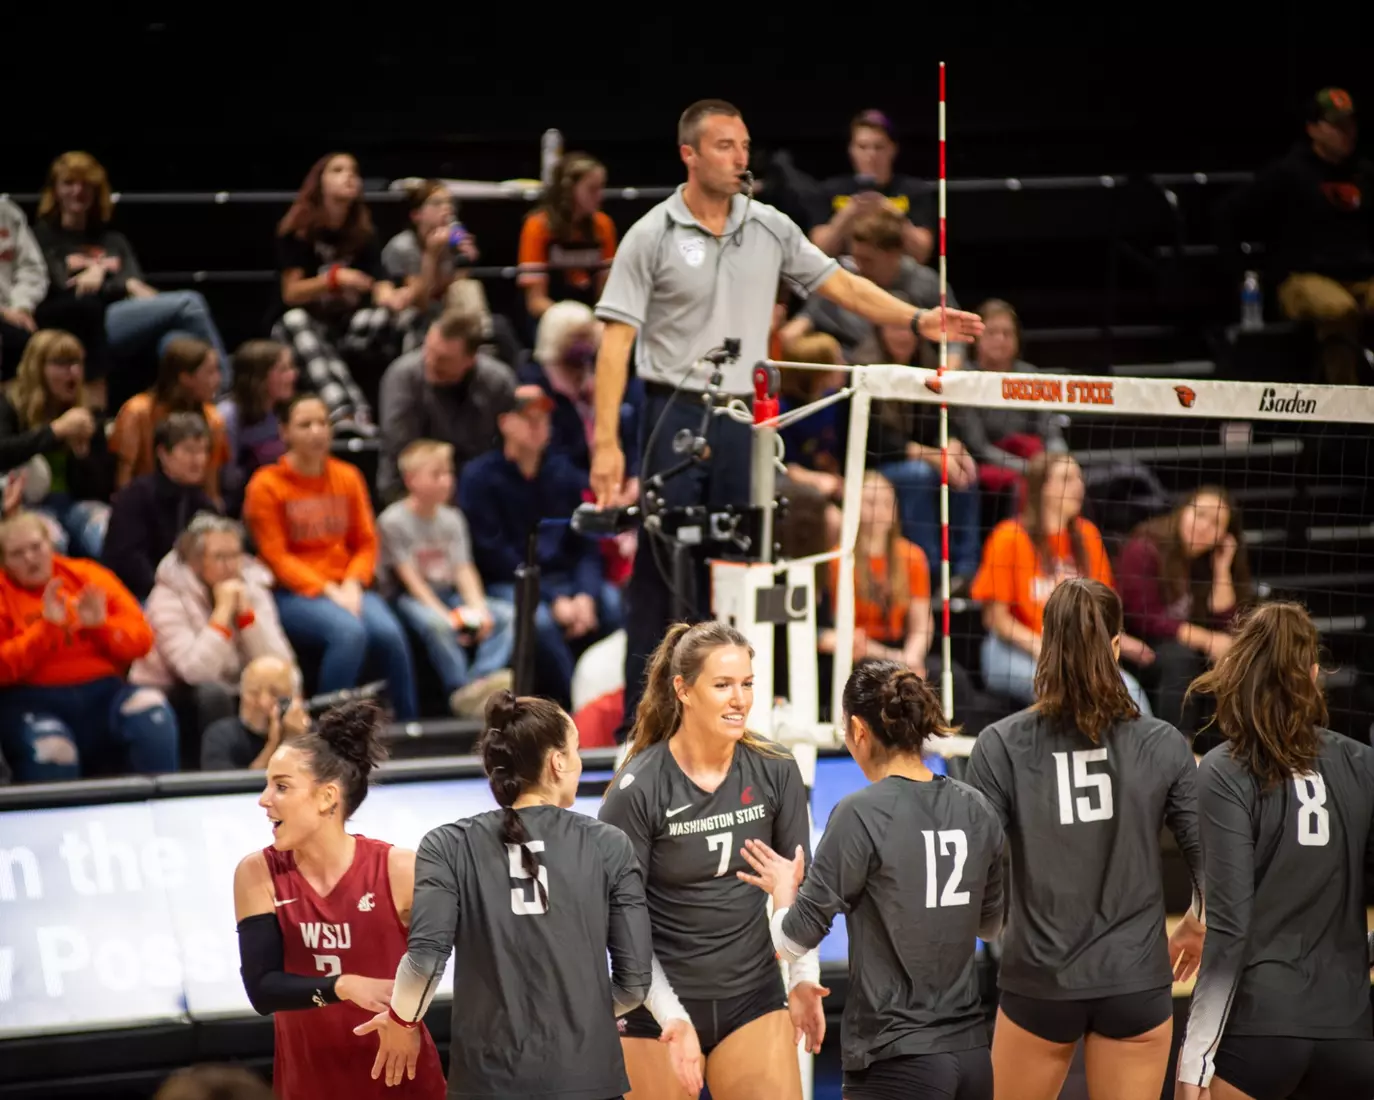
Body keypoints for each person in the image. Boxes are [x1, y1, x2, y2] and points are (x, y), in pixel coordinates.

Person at [590, 98, 983, 736]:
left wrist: (915, 317)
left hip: (743, 414)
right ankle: (654, 721)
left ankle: (734, 709)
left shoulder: (769, 226)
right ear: (688, 154)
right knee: (665, 561)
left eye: (744, 145)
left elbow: (842, 285)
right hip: (670, 409)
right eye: (724, 146)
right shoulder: (651, 234)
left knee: (744, 559)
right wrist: (605, 444)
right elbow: (614, 344)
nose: (740, 157)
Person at [965, 578, 1205, 1100]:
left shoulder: (999, 744)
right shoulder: (1163, 742)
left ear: (1046, 646)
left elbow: (975, 867)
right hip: (1136, 981)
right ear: (1117, 646)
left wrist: (990, 928)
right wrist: (1197, 921)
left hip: (1039, 980)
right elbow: (1211, 856)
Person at [355, 690, 651, 1094]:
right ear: (557, 761)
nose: (579, 762)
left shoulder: (447, 844)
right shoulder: (609, 844)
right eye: (577, 749)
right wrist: (578, 1016)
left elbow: (424, 962)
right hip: (586, 1078)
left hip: (488, 1080)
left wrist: (402, 1020)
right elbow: (635, 983)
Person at [738, 659, 1004, 1100]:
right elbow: (990, 926)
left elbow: (790, 943)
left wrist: (784, 890)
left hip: (896, 1061)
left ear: (859, 732)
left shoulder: (860, 813)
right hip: (973, 1054)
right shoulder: (976, 806)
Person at [598, 620, 824, 1100]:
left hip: (752, 998)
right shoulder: (637, 790)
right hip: (653, 1008)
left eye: (747, 684)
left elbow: (799, 888)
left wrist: (803, 980)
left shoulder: (776, 769)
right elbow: (621, 927)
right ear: (683, 690)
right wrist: (673, 1016)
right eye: (722, 685)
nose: (739, 699)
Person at [1176, 602, 1374, 1100]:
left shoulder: (1225, 768)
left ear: (1241, 672)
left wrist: (1194, 1063)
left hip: (1261, 1032)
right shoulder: (1364, 764)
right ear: (1312, 675)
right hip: (1351, 1033)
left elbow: (1231, 927)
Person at [232, 700, 445, 1100]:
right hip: (310, 1083)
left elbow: (446, 954)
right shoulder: (256, 873)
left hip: (400, 1077)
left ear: (327, 797)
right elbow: (263, 990)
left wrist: (405, 1019)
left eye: (281, 786)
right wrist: (343, 986)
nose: (264, 799)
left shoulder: (399, 868)